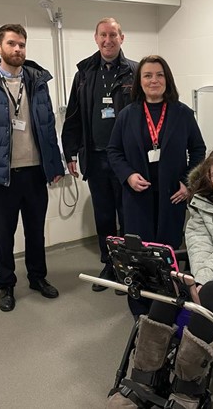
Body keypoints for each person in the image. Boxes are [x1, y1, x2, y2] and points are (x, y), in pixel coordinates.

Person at [107, 145, 213, 409]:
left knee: (211, 293)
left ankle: (188, 393)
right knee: (169, 285)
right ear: (209, 177)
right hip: (207, 275)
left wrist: (201, 282)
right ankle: (144, 380)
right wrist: (193, 279)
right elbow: (198, 243)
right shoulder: (200, 201)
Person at [0, 24, 64, 312]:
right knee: (3, 234)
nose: (17, 49)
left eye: (21, 44)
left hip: (34, 172)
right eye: (11, 44)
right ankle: (6, 284)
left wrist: (53, 164)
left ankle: (37, 277)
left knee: (35, 231)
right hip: (1, 176)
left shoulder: (37, 81)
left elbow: (47, 126)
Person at [107, 55, 206, 317]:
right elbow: (114, 151)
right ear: (140, 81)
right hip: (137, 197)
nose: (154, 80)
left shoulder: (183, 113)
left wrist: (188, 184)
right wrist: (128, 176)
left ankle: (167, 308)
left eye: (159, 75)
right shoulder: (128, 115)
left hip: (172, 198)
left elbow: (198, 151)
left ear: (167, 79)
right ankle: (140, 309)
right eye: (148, 75)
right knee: (139, 254)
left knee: (167, 252)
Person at [61, 17, 138, 292]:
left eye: (113, 35)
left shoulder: (135, 72)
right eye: (103, 35)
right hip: (94, 157)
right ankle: (110, 263)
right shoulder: (84, 73)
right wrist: (69, 151)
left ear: (122, 38)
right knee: (104, 216)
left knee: (127, 215)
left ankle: (128, 268)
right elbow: (73, 114)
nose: (108, 40)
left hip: (125, 161)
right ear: (96, 38)